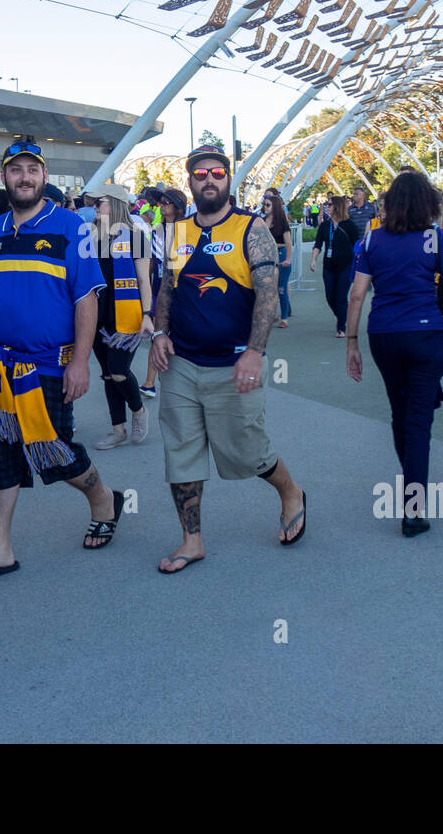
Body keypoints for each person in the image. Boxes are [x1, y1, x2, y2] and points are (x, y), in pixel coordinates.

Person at [0, 139, 122, 585]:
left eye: (32, 169)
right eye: (16, 169)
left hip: (48, 364)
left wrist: (81, 363)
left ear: (44, 177)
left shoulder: (71, 227)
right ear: (4, 177)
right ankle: (0, 549)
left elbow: (86, 298)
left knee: (53, 452)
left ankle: (104, 499)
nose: (24, 176)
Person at [148, 144, 306, 573]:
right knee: (180, 452)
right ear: (191, 182)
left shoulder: (250, 229)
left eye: (217, 172)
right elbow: (167, 287)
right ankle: (191, 540)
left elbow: (268, 295)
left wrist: (255, 352)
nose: (209, 179)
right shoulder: (176, 232)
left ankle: (290, 491)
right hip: (181, 362)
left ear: (229, 178)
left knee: (246, 452)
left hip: (233, 363)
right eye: (200, 174)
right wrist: (159, 333)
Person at [345, 172, 443, 537]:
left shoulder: (372, 240)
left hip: (384, 334)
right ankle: (413, 508)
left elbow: (357, 295)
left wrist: (351, 342)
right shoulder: (434, 239)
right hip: (425, 334)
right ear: (427, 205)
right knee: (419, 420)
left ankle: (411, 482)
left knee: (400, 411)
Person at [84, 182, 154, 450]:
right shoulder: (90, 235)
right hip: (97, 313)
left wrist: (147, 314)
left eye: (98, 202)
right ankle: (117, 429)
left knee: (118, 370)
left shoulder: (136, 237)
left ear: (113, 203)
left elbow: (143, 281)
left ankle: (138, 410)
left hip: (127, 313)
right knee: (106, 374)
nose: (94, 208)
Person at [140, 187, 186, 399]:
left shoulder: (187, 230)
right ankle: (149, 382)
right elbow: (150, 263)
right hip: (159, 289)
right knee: (158, 334)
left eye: (167, 202)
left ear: (178, 206)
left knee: (180, 337)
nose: (162, 205)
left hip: (183, 291)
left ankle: (180, 382)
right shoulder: (157, 230)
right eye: (161, 202)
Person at [309, 195, 359, 337]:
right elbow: (318, 244)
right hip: (329, 265)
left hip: (345, 265)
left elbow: (357, 244)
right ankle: (342, 316)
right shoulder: (325, 225)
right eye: (327, 204)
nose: (327, 207)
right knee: (330, 297)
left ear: (337, 207)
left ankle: (341, 327)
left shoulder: (349, 225)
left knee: (341, 297)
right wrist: (313, 260)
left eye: (329, 204)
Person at [263, 192, 294, 327]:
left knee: (281, 288)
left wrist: (287, 259)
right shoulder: (262, 222)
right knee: (268, 289)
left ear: (275, 207)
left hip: (280, 256)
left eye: (268, 205)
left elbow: (288, 243)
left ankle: (284, 317)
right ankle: (271, 314)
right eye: (264, 205)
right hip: (266, 257)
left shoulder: (282, 223)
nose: (265, 207)